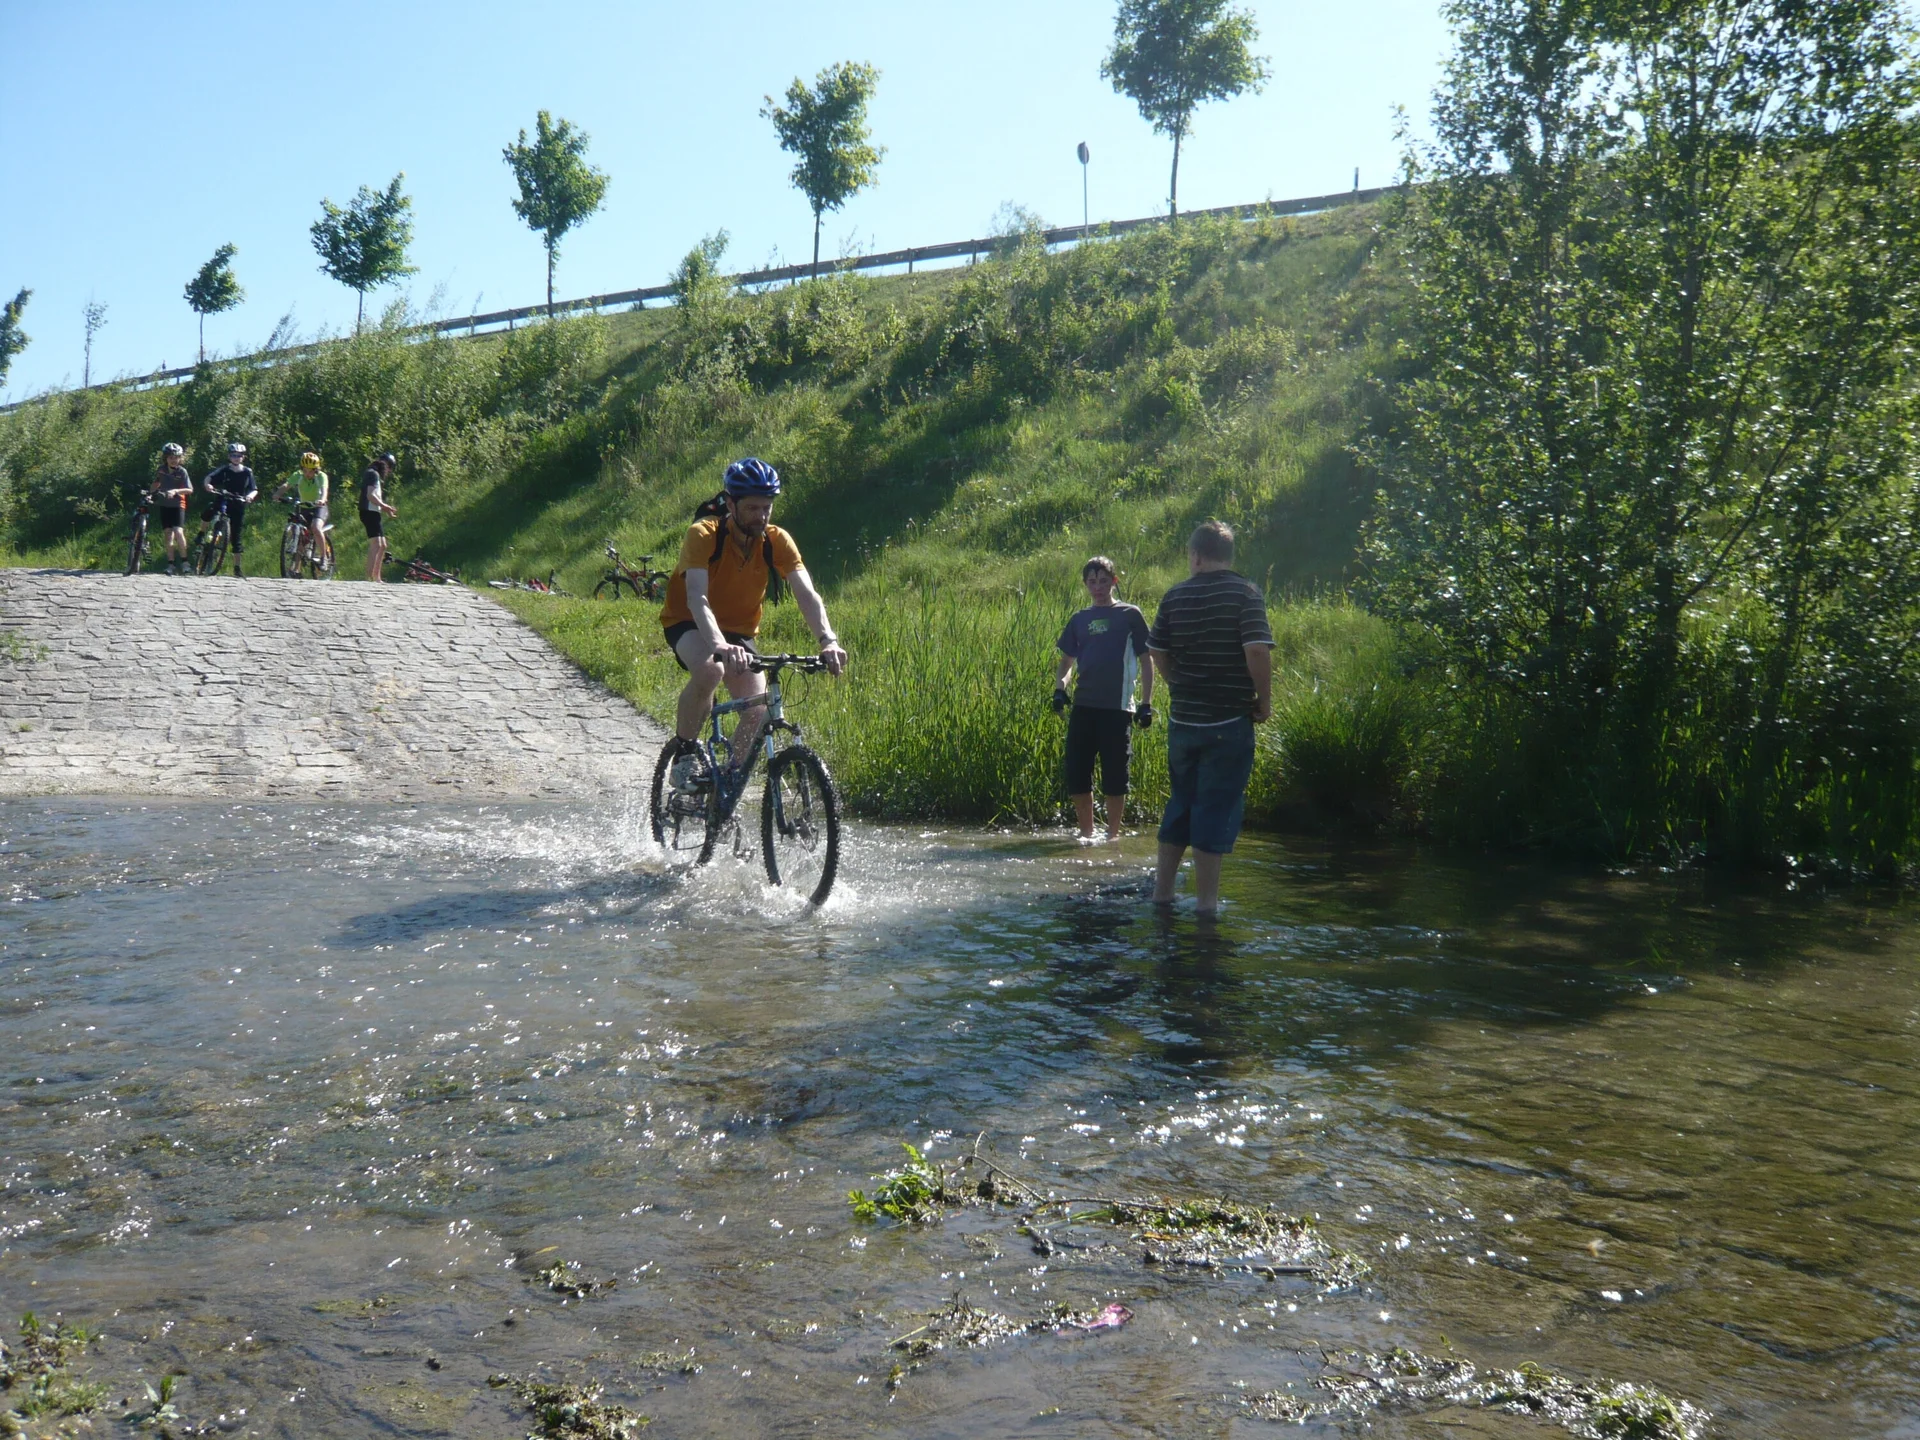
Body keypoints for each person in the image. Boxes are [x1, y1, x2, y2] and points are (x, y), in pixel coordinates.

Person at [657, 457, 847, 784]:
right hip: (689, 621)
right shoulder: (703, 534)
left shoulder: (776, 540)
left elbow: (806, 594)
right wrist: (718, 645)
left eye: (767, 508)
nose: (761, 516)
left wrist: (828, 640)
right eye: (752, 508)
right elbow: (697, 597)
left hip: (739, 630)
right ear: (730, 503)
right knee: (710, 668)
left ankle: (729, 779)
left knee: (758, 707)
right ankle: (685, 753)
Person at [1147, 520, 1274, 917]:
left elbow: (1158, 652)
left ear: (1196, 556)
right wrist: (1264, 702)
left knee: (1181, 803)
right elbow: (1256, 651)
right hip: (1226, 722)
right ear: (1227, 556)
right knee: (1215, 808)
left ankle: (1162, 895)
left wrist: (1177, 684)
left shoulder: (1174, 596)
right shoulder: (1246, 593)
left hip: (1184, 723)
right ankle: (1206, 906)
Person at [1054, 555, 1154, 841]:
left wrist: (1146, 703)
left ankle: (1112, 838)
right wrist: (1060, 688)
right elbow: (1067, 662)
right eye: (1092, 582)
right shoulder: (1079, 619)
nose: (1098, 587)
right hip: (1084, 706)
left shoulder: (1129, 614)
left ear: (1114, 581)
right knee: (1077, 773)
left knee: (1115, 776)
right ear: (1085, 584)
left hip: (1118, 707)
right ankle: (1086, 836)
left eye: (1103, 581)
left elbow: (1147, 661)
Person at [200, 442, 258, 578]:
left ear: (243, 457)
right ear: (229, 456)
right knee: (209, 511)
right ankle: (201, 534)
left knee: (236, 536)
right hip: (223, 498)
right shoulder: (224, 470)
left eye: (239, 456)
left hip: (238, 503)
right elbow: (209, 478)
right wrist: (208, 485)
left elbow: (254, 489)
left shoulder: (247, 472)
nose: (236, 458)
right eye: (233, 455)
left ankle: (237, 567)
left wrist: (249, 497)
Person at [272, 452, 331, 571]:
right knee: (299, 536)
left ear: (316, 469)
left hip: (318, 507)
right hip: (303, 507)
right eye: (305, 470)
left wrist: (322, 499)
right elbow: (287, 485)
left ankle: (324, 558)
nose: (307, 474)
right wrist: (277, 494)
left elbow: (324, 490)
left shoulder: (321, 476)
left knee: (315, 527)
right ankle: (295, 569)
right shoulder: (298, 475)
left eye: (310, 471)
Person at [150, 443, 193, 574]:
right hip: (164, 504)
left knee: (178, 531)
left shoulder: (182, 471)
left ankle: (185, 562)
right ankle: (171, 564)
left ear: (180, 458)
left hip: (178, 505)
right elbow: (156, 483)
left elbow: (189, 490)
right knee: (168, 533)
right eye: (171, 458)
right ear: (166, 458)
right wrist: (150, 494)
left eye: (176, 457)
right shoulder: (161, 470)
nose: (174, 460)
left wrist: (175, 491)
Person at [359, 453, 398, 581]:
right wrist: (385, 506)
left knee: (382, 545)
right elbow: (371, 495)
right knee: (376, 543)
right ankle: (370, 577)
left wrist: (385, 508)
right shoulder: (373, 474)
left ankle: (376, 576)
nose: (389, 471)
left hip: (373, 511)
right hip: (369, 511)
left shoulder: (373, 473)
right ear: (387, 466)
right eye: (389, 468)